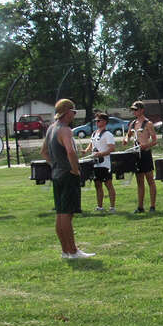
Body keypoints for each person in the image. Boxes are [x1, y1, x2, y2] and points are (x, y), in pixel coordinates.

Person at [41, 99, 94, 259]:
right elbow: (70, 152)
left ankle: (65, 251)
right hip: (67, 175)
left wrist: (54, 165)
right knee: (67, 214)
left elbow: (44, 152)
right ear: (67, 112)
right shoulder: (65, 130)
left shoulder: (51, 128)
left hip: (57, 174)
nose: (74, 114)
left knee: (60, 213)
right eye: (73, 111)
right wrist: (75, 170)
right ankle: (73, 251)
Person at [125, 101, 158, 213]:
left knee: (150, 180)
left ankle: (152, 206)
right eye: (133, 110)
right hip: (136, 154)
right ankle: (140, 207)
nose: (134, 112)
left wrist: (146, 145)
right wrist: (126, 140)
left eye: (136, 109)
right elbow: (128, 135)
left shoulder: (148, 123)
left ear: (142, 110)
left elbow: (155, 140)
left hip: (145, 153)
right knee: (139, 181)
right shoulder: (133, 123)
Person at [85, 113, 117, 213]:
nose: (96, 122)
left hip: (105, 164)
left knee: (108, 184)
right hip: (95, 163)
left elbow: (112, 148)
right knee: (97, 185)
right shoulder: (94, 133)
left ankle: (112, 207)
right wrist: (86, 151)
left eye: (98, 120)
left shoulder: (108, 134)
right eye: (96, 121)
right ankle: (100, 206)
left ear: (105, 122)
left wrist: (101, 154)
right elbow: (91, 145)